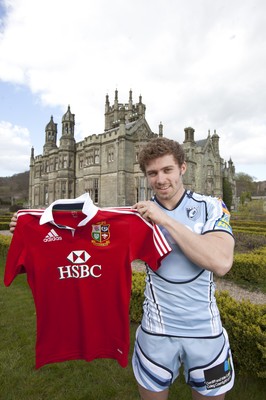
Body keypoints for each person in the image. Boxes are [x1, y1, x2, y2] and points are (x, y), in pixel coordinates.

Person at [9, 137, 235, 399]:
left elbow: (221, 263)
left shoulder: (212, 207)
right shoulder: (136, 216)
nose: (160, 179)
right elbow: (78, 238)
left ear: (183, 168)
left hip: (207, 334)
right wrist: (31, 227)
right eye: (152, 173)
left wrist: (164, 219)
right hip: (156, 334)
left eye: (167, 170)